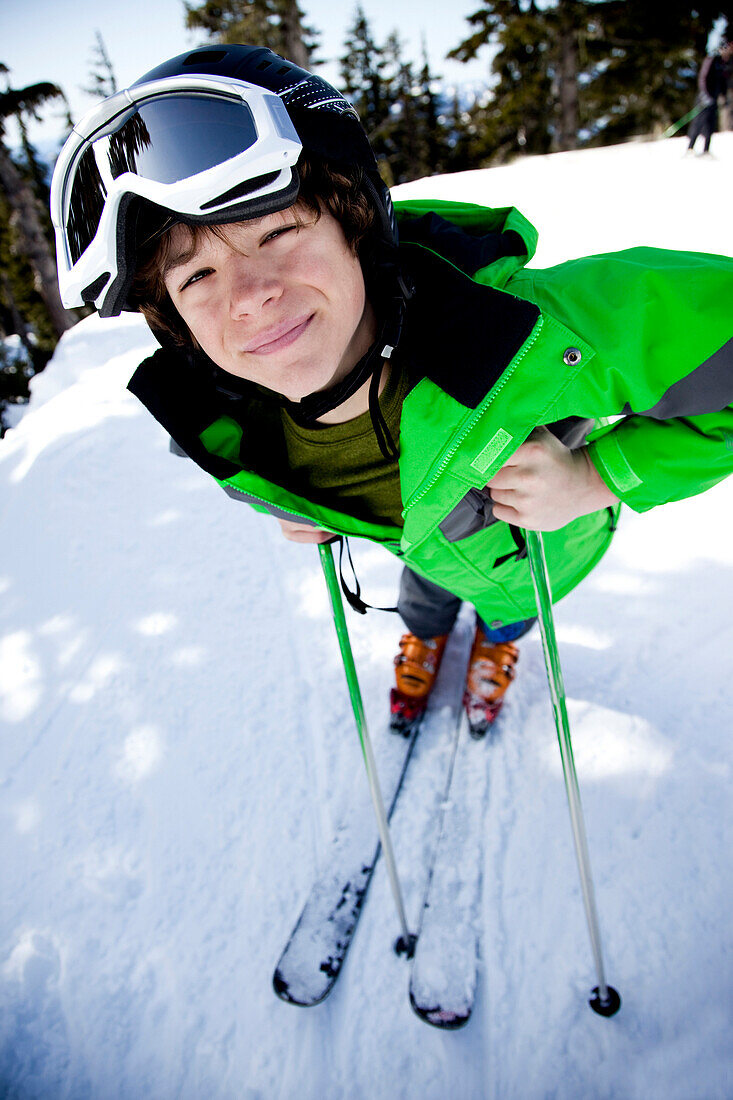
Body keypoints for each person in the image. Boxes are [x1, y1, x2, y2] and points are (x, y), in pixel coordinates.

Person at [51, 44, 733, 736]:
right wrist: (296, 499)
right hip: (432, 554)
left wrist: (595, 477)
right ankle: (425, 638)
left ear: (354, 224)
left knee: (512, 609)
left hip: (544, 550)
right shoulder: (235, 427)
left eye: (277, 231)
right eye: (196, 276)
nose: (251, 299)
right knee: (424, 598)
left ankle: (496, 647)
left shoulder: (522, 332)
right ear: (178, 325)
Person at [687, 37, 733, 155]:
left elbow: (724, 83)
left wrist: (724, 97)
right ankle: (690, 148)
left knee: (710, 124)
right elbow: (703, 78)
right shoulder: (712, 60)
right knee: (698, 122)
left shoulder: (725, 65)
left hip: (714, 98)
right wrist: (704, 94)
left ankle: (706, 150)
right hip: (704, 97)